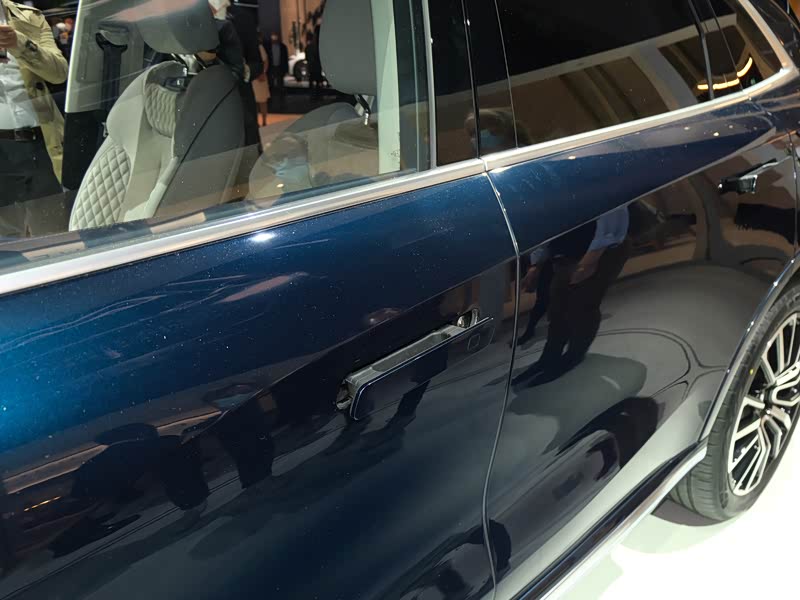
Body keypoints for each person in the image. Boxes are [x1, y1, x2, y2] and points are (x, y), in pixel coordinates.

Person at [0, 0, 70, 238]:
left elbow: (59, 73)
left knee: (54, 234)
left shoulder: (29, 18)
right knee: (7, 244)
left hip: (42, 144)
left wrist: (19, 43)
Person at [266, 32, 288, 108]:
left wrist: (285, 69)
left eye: (275, 37)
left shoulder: (283, 47)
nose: (274, 39)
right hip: (271, 67)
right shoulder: (268, 47)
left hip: (279, 67)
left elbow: (285, 59)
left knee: (280, 84)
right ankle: (270, 101)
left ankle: (282, 101)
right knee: (270, 84)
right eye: (273, 37)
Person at [252, 32, 269, 126]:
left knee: (262, 101)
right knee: (255, 101)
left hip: (260, 76)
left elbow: (266, 61)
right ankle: (257, 121)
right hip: (253, 77)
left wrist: (263, 72)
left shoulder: (260, 47)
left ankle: (264, 121)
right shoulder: (250, 47)